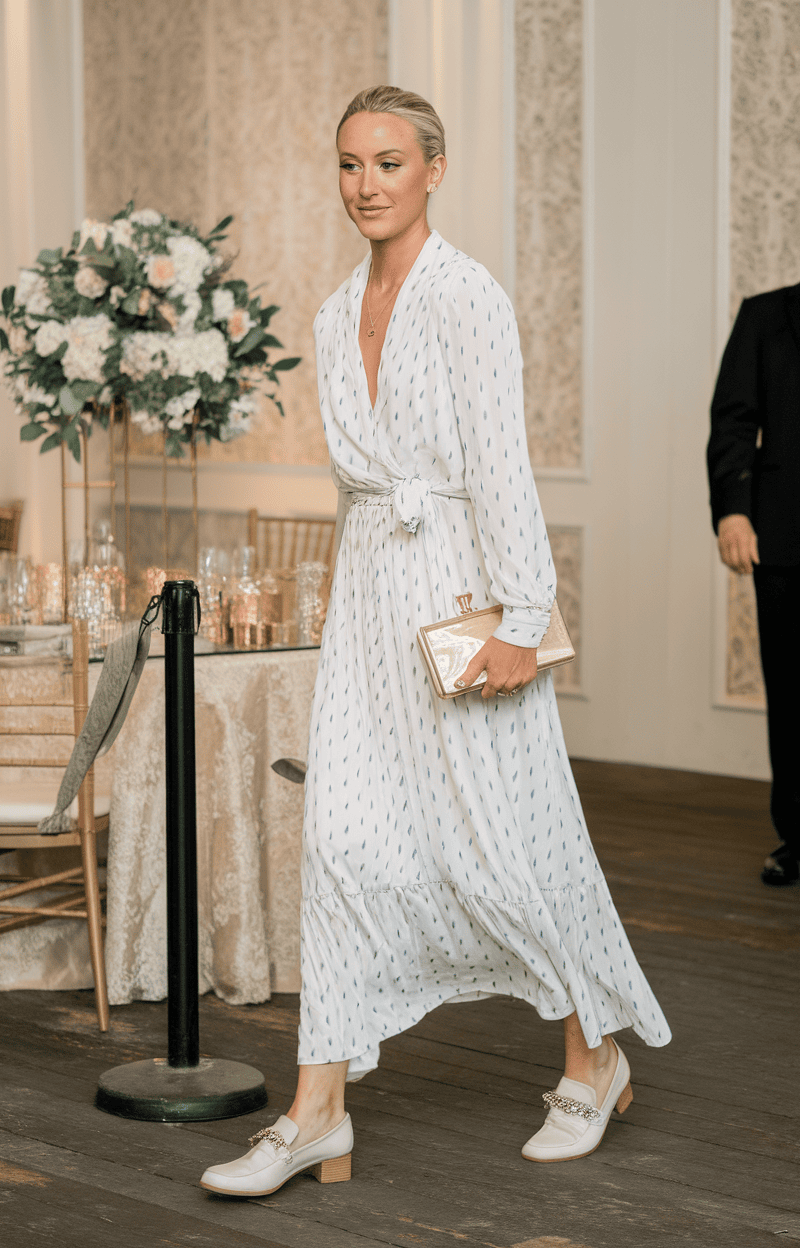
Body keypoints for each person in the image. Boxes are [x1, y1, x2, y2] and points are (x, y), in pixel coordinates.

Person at [201, 85, 671, 1198]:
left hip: (464, 598)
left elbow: (502, 465)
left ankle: (592, 1059)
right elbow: (352, 492)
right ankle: (317, 1112)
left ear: (434, 171)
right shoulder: (332, 313)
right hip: (368, 607)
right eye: (349, 165)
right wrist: (344, 616)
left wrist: (522, 621)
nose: (366, 185)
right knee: (339, 844)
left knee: (510, 844)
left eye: (389, 163)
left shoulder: (468, 297)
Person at [708, 286, 800, 886]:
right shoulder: (767, 316)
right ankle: (798, 836)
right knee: (792, 694)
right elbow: (734, 419)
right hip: (786, 537)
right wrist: (733, 511)